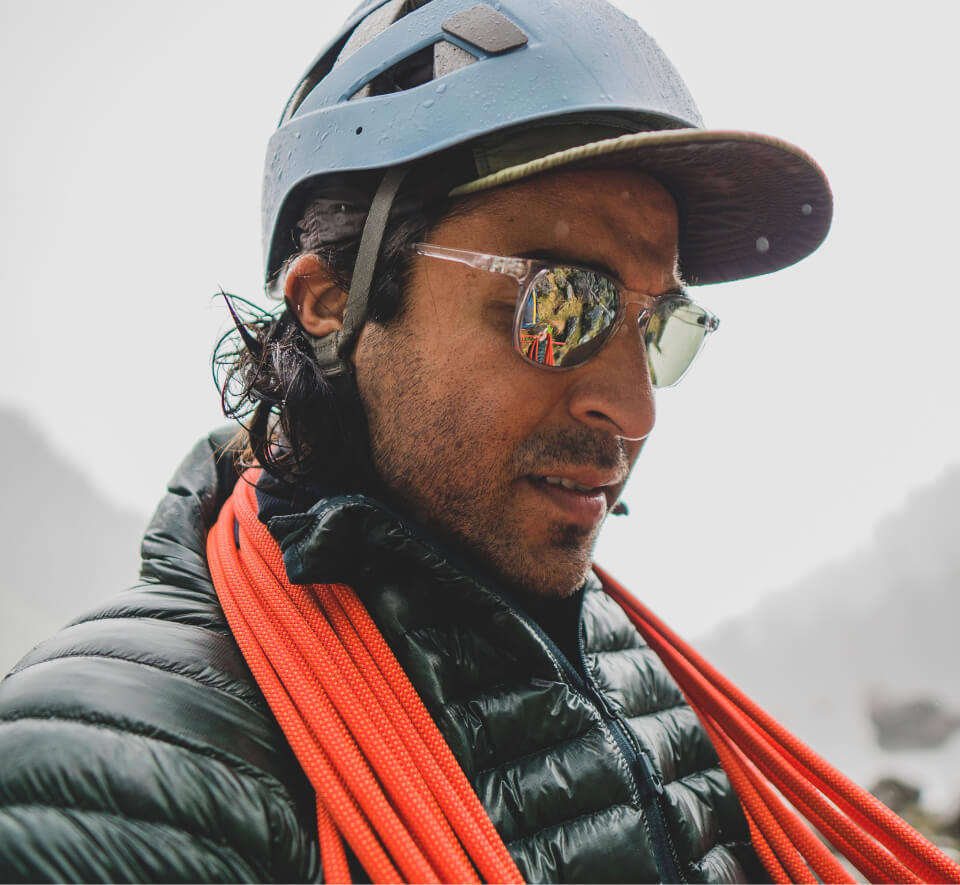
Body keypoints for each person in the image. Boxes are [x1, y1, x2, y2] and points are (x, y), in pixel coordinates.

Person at [0, 0, 833, 881]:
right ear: (329, 299)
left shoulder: (646, 686)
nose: (634, 410)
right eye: (559, 303)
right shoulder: (130, 778)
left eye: (661, 324)